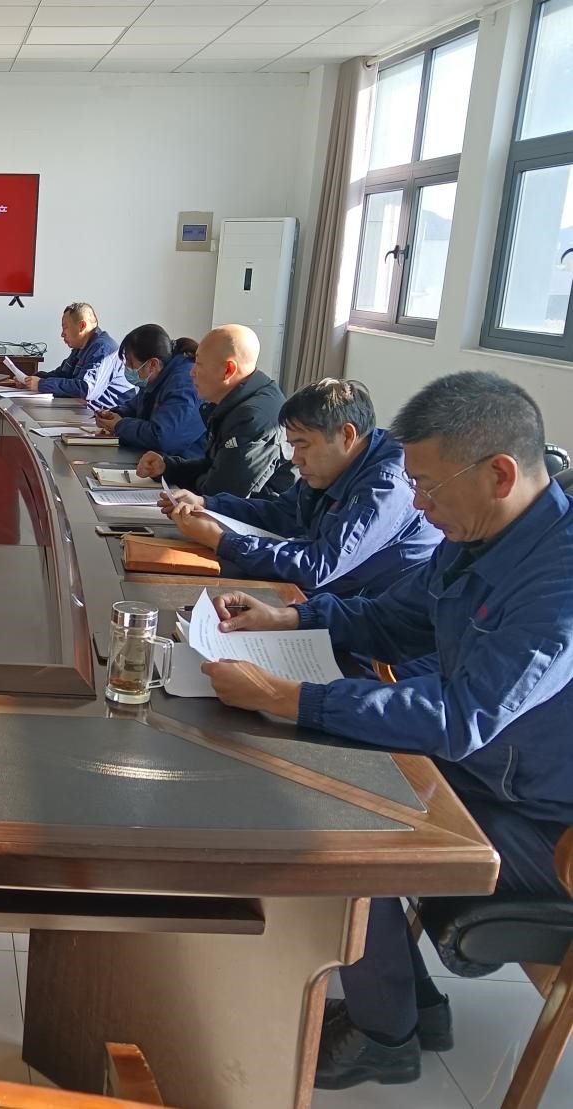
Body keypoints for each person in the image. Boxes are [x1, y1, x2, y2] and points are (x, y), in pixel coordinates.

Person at [198, 372, 573, 1092]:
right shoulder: (482, 536)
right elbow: (395, 617)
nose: (418, 504)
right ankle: (407, 1003)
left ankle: (383, 1035)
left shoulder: (558, 582)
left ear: (499, 474)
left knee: (348, 814)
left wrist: (293, 697)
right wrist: (291, 617)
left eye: (428, 486)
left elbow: (459, 717)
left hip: (546, 825)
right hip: (495, 772)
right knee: (335, 766)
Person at [162, 379, 440, 597]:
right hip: (330, 597)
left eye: (303, 445)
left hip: (365, 616)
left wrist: (222, 541)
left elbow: (317, 566)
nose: (296, 459)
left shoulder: (385, 487)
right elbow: (282, 513)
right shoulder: (334, 465)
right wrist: (208, 504)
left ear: (346, 435)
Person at [134, 324, 294, 498]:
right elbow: (214, 466)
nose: (192, 372)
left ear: (228, 370)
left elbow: (221, 492)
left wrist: (190, 492)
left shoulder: (252, 417)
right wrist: (167, 467)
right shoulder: (238, 399)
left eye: (199, 364)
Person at [93, 324, 207, 457]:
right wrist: (115, 413)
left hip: (182, 462)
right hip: (153, 458)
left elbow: (163, 437)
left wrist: (120, 425)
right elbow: (138, 405)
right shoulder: (157, 375)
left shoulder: (184, 383)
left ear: (153, 364)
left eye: (131, 363)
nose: (126, 368)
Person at [20, 302, 134, 407]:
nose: (62, 334)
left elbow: (86, 389)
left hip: (110, 414)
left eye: (65, 327)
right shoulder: (80, 347)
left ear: (82, 326)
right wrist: (30, 379)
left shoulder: (102, 348)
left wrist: (42, 384)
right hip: (85, 410)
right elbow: (63, 374)